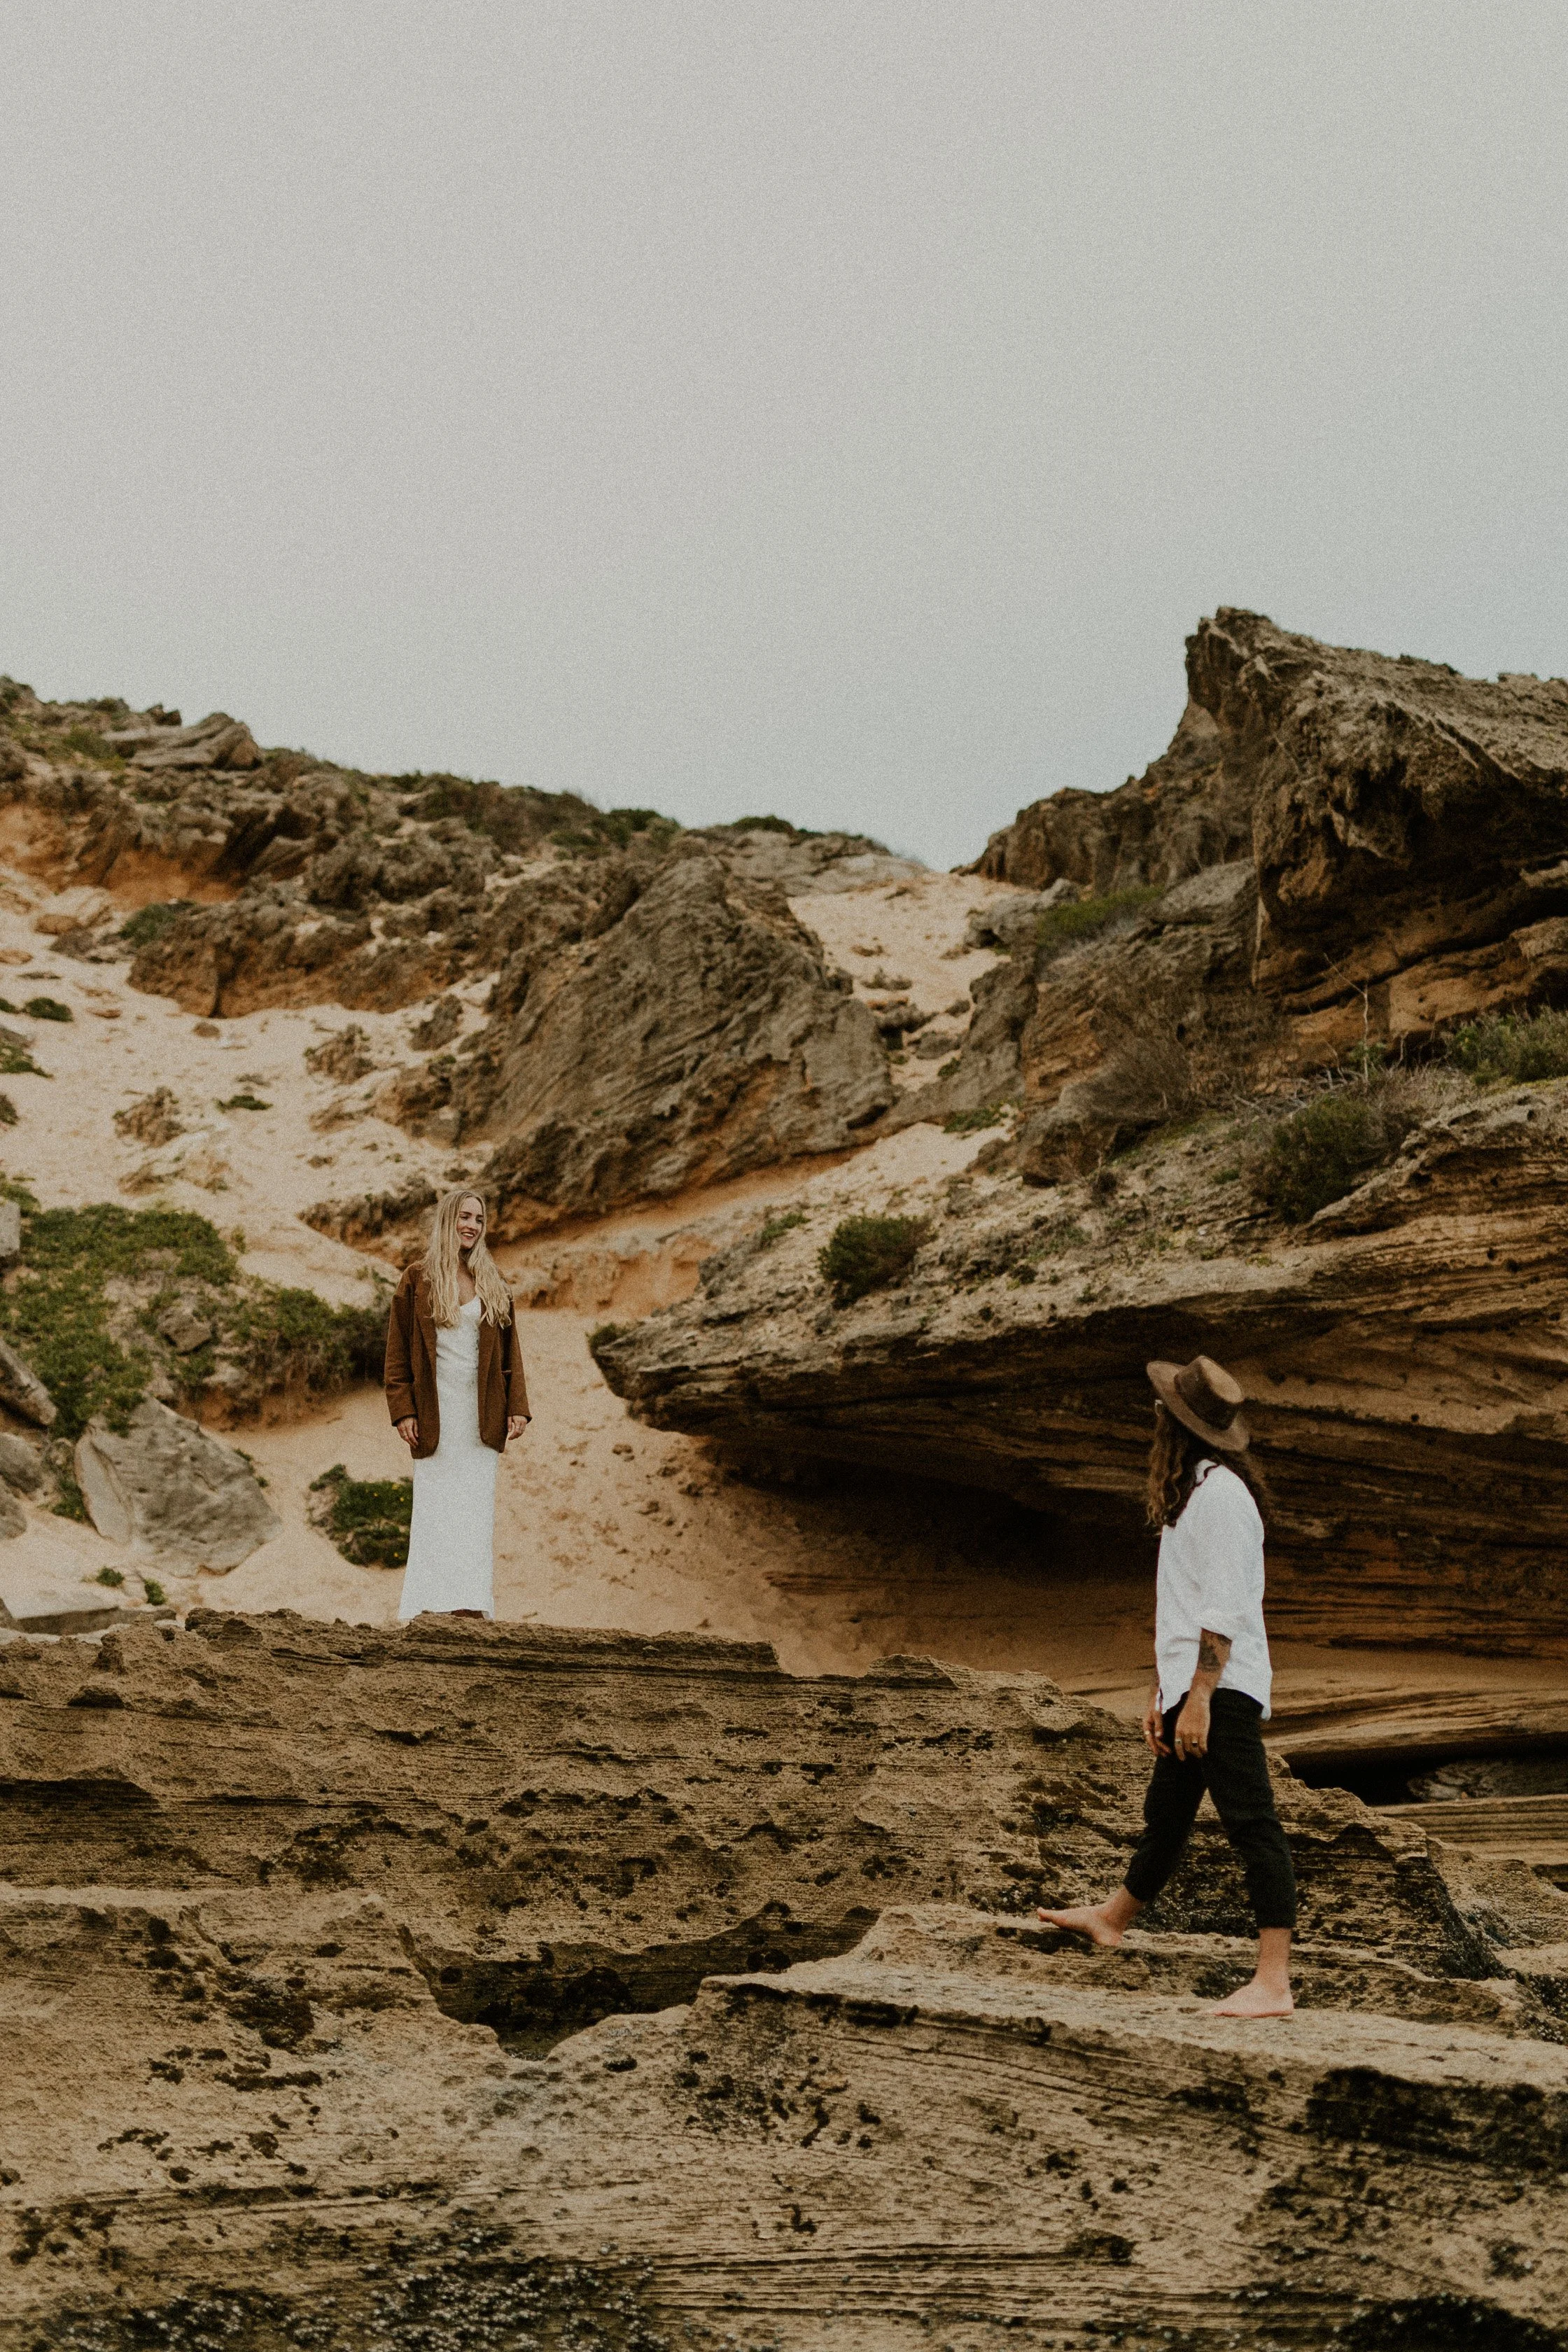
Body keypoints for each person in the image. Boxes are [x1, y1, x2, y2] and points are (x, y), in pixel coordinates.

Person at [1038, 1353, 1296, 2017]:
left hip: (1224, 1689)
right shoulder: (1194, 1499)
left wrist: (1203, 1698)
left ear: (1175, 1424)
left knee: (1252, 1823)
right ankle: (1113, 1919)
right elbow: (1182, 1613)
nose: (1156, 1417)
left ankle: (1273, 1983)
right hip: (1193, 1686)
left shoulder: (1223, 1500)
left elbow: (1226, 1609)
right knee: (1169, 1814)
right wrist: (1164, 1696)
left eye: (1163, 1411)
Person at [384, 1189, 530, 1622]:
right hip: (435, 1412)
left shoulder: (491, 1281)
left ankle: (470, 1606)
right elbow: (396, 1350)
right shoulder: (417, 1278)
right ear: (448, 1221)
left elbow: (510, 1350)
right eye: (464, 1217)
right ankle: (428, 1606)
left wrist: (517, 1406)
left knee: (474, 1509)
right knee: (435, 1507)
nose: (472, 1226)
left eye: (479, 1220)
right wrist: (403, 1408)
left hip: (482, 1413)